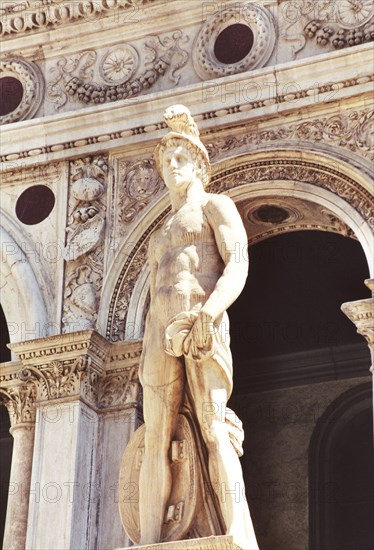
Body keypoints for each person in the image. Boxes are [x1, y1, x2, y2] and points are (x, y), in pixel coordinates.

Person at [138, 104, 258, 549]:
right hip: (160, 333)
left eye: (180, 159)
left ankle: (238, 533)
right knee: (156, 436)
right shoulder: (158, 231)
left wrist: (209, 314)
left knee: (212, 426)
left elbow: (238, 264)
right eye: (165, 162)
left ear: (199, 165)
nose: (171, 167)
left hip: (203, 322)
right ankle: (149, 540)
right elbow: (153, 293)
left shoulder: (214, 205)